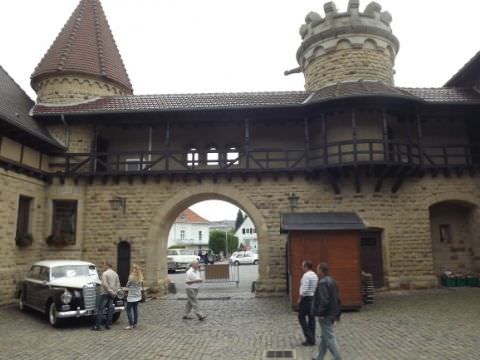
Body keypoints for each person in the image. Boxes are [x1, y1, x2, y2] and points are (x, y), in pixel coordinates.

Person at [312, 262, 342, 360]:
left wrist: (320, 313)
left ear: (321, 271)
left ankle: (338, 358)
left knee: (329, 337)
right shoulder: (333, 281)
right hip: (332, 312)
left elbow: (324, 300)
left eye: (317, 269)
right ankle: (319, 357)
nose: (317, 271)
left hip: (325, 314)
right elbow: (337, 298)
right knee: (324, 336)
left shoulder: (323, 283)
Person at [92, 261, 120, 331]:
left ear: (107, 265)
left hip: (105, 293)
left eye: (104, 265)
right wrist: (114, 293)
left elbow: (105, 285)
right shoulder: (115, 274)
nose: (103, 267)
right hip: (112, 294)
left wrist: (110, 292)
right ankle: (108, 325)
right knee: (110, 309)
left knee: (100, 309)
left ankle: (98, 326)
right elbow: (118, 284)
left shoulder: (105, 273)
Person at [298, 260, 318, 346]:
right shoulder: (315, 275)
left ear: (306, 266)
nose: (301, 267)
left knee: (301, 317)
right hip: (313, 298)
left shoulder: (306, 276)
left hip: (306, 299)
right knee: (311, 319)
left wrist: (300, 298)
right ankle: (312, 339)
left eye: (302, 266)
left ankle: (309, 338)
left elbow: (305, 289)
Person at [125, 264, 143, 330]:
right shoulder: (140, 277)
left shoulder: (131, 277)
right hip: (137, 296)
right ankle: (135, 324)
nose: (132, 269)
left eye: (133, 268)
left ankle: (130, 324)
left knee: (128, 310)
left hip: (131, 296)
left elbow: (127, 285)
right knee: (135, 310)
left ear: (134, 269)